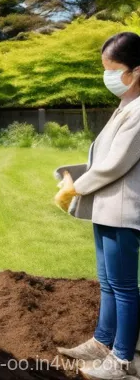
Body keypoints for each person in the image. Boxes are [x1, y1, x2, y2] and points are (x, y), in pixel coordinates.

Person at [55, 32, 140, 380]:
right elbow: (102, 155)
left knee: (123, 286)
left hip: (124, 211)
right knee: (107, 282)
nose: (108, 77)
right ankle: (103, 342)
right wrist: (71, 174)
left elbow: (116, 163)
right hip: (107, 207)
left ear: (136, 71)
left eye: (113, 70)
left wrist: (75, 188)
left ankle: (123, 361)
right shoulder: (126, 105)